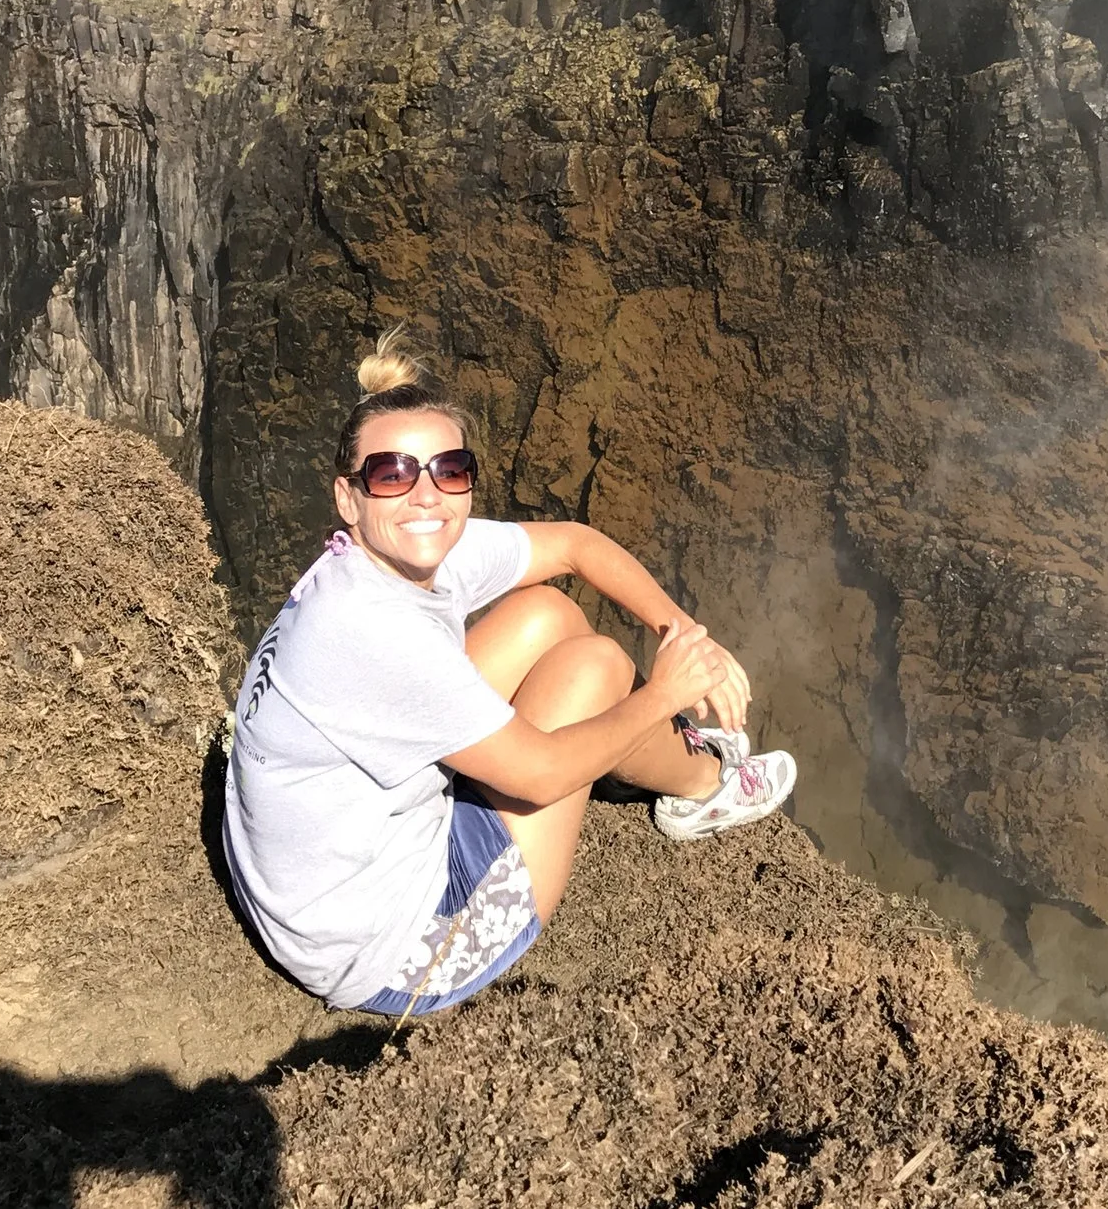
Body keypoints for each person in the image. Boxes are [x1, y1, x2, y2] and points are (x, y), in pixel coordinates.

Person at [223, 333, 795, 1019]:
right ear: (349, 497)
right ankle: (706, 786)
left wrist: (682, 629)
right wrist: (671, 687)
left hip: (316, 880)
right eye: (393, 473)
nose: (426, 495)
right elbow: (542, 774)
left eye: (448, 469)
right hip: (393, 946)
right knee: (602, 667)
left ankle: (653, 751)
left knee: (549, 613)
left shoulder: (389, 553)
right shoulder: (375, 631)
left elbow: (573, 546)